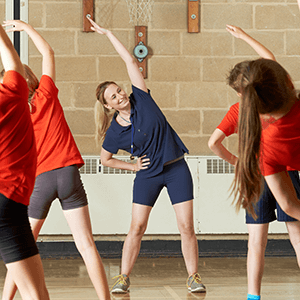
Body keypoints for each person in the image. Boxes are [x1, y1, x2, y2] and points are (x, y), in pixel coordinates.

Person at [87, 16, 206, 294]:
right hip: (148, 175)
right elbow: (105, 159)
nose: (120, 96)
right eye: (113, 97)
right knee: (137, 227)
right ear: (108, 107)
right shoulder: (114, 132)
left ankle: (193, 277)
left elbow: (130, 61)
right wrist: (132, 167)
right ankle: (123, 277)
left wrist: (107, 33)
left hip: (176, 168)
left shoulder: (141, 97)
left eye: (119, 90)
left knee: (186, 225)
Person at [1, 20, 110, 300]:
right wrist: (26, 28)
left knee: (21, 250)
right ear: (33, 80)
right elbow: (48, 53)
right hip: (68, 174)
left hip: (40, 180)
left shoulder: (12, 106)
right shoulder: (46, 95)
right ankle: (105, 298)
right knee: (86, 245)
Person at [209, 25, 300, 300]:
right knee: (296, 236)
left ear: (242, 95)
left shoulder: (244, 116)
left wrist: (239, 162)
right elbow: (270, 60)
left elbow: (213, 143)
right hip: (286, 171)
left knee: (256, 242)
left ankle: (253, 296)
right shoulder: (284, 91)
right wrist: (244, 36)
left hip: (265, 173)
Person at [0, 22, 50, 300]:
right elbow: (11, 57)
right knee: (35, 293)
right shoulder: (14, 93)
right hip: (6, 202)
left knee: (38, 291)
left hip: (10, 202)